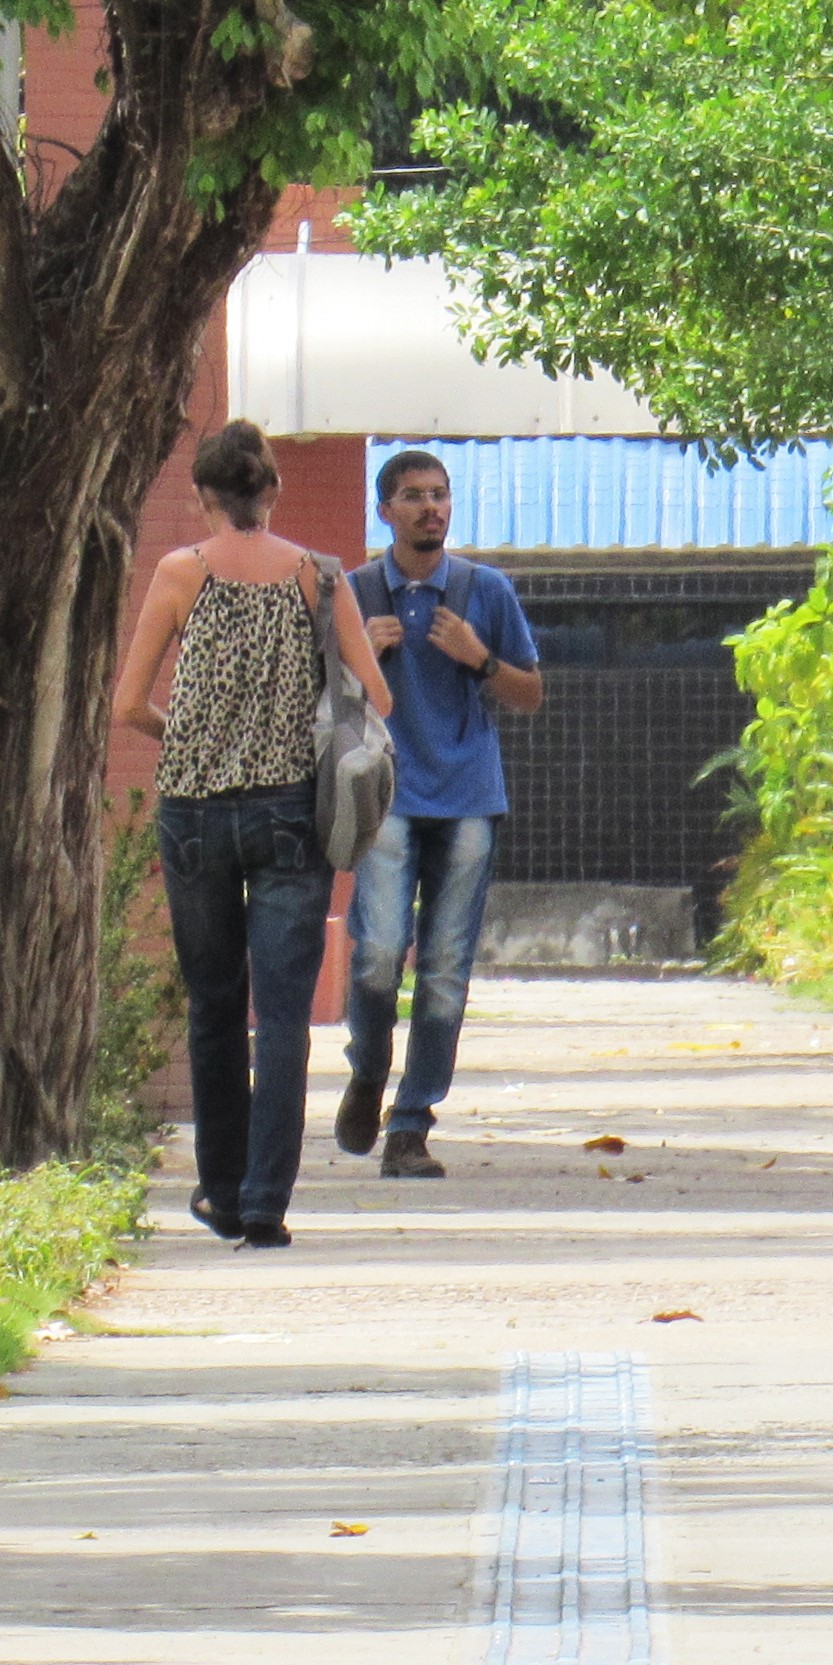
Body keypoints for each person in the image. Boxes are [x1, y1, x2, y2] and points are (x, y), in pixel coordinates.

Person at [112, 420, 388, 1246]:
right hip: (288, 816)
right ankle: (267, 1202)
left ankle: (220, 1190)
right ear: (272, 492)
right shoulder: (319, 578)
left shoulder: (176, 573)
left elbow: (127, 707)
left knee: (215, 1008)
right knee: (283, 1011)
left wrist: (192, 739)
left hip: (193, 811)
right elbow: (376, 698)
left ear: (202, 497)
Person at [339, 448, 542, 1177]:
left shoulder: (483, 591)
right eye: (414, 496)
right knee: (377, 951)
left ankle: (410, 1124)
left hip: (466, 798)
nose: (431, 507)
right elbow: (315, 699)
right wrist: (357, 655)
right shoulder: (354, 592)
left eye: (440, 495)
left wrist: (480, 658)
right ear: (384, 510)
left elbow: (530, 694)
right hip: (385, 794)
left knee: (447, 967)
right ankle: (367, 1070)